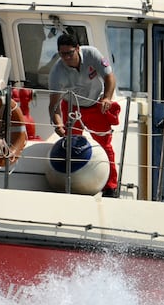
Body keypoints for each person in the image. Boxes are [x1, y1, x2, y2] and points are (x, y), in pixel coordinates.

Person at [46, 32, 120, 197]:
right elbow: (54, 105)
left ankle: (111, 187)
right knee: (71, 146)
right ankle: (73, 185)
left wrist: (107, 98)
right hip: (72, 106)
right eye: (61, 54)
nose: (65, 58)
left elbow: (110, 77)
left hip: (96, 104)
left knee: (105, 145)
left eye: (69, 53)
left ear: (78, 49)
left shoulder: (92, 54)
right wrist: (57, 124)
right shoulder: (56, 73)